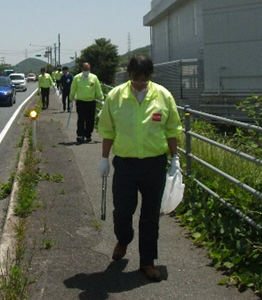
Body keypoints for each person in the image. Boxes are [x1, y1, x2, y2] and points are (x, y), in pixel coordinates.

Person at [97, 54, 182, 282]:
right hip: (125, 164)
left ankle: (147, 261)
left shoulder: (163, 96)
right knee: (123, 210)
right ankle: (123, 239)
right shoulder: (116, 96)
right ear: (128, 74)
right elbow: (107, 130)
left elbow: (172, 129)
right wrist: (104, 158)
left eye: (144, 79)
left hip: (154, 164)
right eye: (135, 78)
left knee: (150, 216)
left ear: (150, 76)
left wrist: (175, 159)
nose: (139, 83)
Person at [69, 62, 104, 144]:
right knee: (81, 119)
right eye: (85, 69)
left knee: (90, 119)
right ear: (82, 69)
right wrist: (71, 99)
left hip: (91, 102)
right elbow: (73, 89)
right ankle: (80, 135)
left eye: (88, 69)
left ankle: (88, 134)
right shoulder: (77, 78)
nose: (86, 71)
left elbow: (98, 89)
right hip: (81, 101)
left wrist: (101, 98)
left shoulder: (94, 78)